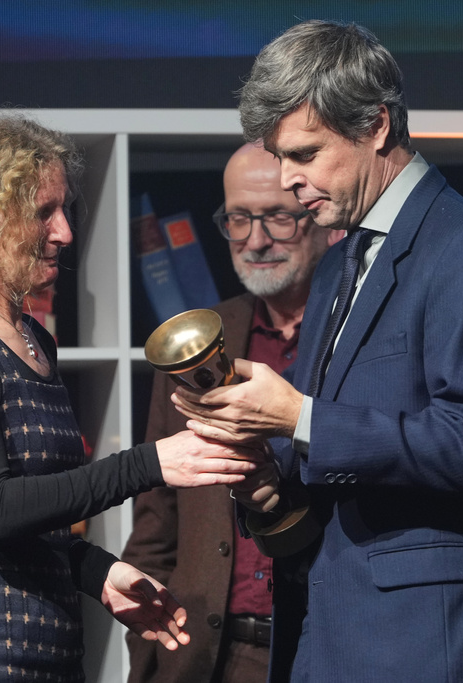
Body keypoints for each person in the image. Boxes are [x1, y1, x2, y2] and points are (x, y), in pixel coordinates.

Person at [171, 20, 463, 683]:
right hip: (326, 633)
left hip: (425, 641)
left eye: (305, 155)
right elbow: (329, 471)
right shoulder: (340, 264)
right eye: (280, 158)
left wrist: (298, 417)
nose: (288, 181)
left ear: (375, 125)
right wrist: (262, 474)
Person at [0, 114, 264, 682]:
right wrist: (153, 461)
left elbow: (30, 523)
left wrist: (97, 573)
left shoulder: (34, 339)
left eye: (65, 210)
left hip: (44, 644)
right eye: (44, 212)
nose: (64, 231)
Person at [121, 142, 341, 683]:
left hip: (326, 647)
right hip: (207, 657)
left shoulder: (356, 333)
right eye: (239, 218)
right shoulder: (193, 339)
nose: (255, 240)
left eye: (277, 219)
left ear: (318, 216)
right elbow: (156, 519)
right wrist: (148, 656)